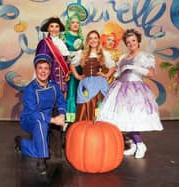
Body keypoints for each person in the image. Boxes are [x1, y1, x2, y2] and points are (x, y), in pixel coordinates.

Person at [96, 29, 163, 159]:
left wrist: (134, 67)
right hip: (120, 87)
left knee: (131, 118)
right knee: (122, 119)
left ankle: (140, 144)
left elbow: (150, 73)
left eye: (133, 41)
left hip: (134, 89)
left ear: (138, 42)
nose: (131, 44)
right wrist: (111, 74)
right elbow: (119, 72)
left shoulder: (143, 56)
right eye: (128, 42)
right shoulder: (123, 57)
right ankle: (132, 144)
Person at [14, 54, 66, 174]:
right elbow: (33, 113)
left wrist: (62, 115)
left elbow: (61, 102)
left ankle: (21, 142)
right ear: (36, 70)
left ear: (49, 70)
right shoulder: (30, 89)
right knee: (40, 122)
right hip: (30, 119)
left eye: (46, 68)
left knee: (41, 145)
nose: (43, 71)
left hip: (49, 119)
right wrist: (53, 120)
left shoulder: (54, 86)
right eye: (40, 68)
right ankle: (41, 161)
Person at [72, 30, 116, 121]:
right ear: (88, 40)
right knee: (84, 104)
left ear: (99, 40)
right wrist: (77, 76)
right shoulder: (82, 53)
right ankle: (84, 127)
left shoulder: (104, 53)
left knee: (97, 105)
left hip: (99, 83)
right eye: (90, 38)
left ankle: (98, 129)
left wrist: (106, 75)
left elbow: (113, 66)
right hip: (86, 83)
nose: (93, 40)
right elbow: (72, 64)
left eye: (95, 38)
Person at [36, 17, 70, 94]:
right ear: (48, 29)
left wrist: (67, 72)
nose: (54, 29)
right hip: (50, 80)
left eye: (56, 26)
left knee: (61, 104)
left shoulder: (63, 44)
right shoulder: (44, 43)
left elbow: (65, 62)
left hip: (62, 81)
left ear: (59, 29)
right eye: (51, 26)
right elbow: (40, 64)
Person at [63, 15, 84, 123]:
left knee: (79, 91)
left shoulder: (81, 38)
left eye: (77, 23)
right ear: (69, 24)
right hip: (69, 67)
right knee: (70, 91)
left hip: (80, 68)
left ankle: (79, 116)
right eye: (73, 22)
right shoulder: (64, 37)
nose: (75, 24)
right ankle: (70, 119)